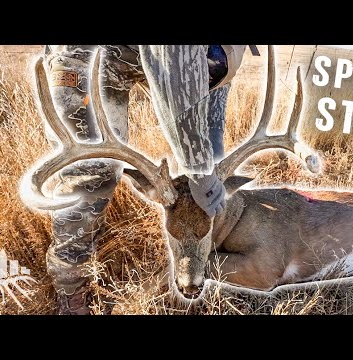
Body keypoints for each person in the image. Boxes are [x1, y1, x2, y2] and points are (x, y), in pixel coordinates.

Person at [43, 45, 246, 314]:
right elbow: (174, 63)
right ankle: (72, 292)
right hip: (87, 56)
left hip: (147, 58)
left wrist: (213, 161)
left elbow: (215, 81)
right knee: (94, 174)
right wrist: (200, 172)